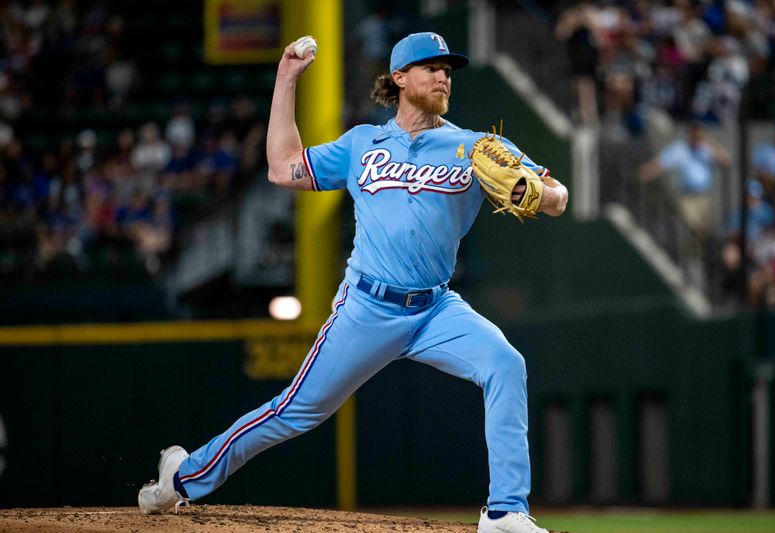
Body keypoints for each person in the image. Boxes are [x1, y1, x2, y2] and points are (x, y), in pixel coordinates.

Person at [138, 32, 568, 533]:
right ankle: (183, 476)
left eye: (448, 68)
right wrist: (285, 80)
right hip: (367, 307)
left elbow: (557, 197)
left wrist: (531, 190)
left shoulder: (476, 147)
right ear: (400, 78)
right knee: (295, 412)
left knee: (505, 363)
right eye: (430, 67)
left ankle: (505, 513)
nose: (443, 75)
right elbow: (282, 169)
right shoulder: (363, 143)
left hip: (436, 309)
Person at [639, 120, 731, 235]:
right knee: (691, 227)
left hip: (704, 196)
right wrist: (646, 173)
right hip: (687, 197)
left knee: (703, 231)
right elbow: (661, 162)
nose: (696, 136)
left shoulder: (707, 148)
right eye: (694, 133)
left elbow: (727, 160)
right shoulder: (680, 149)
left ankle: (699, 250)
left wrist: (708, 140)